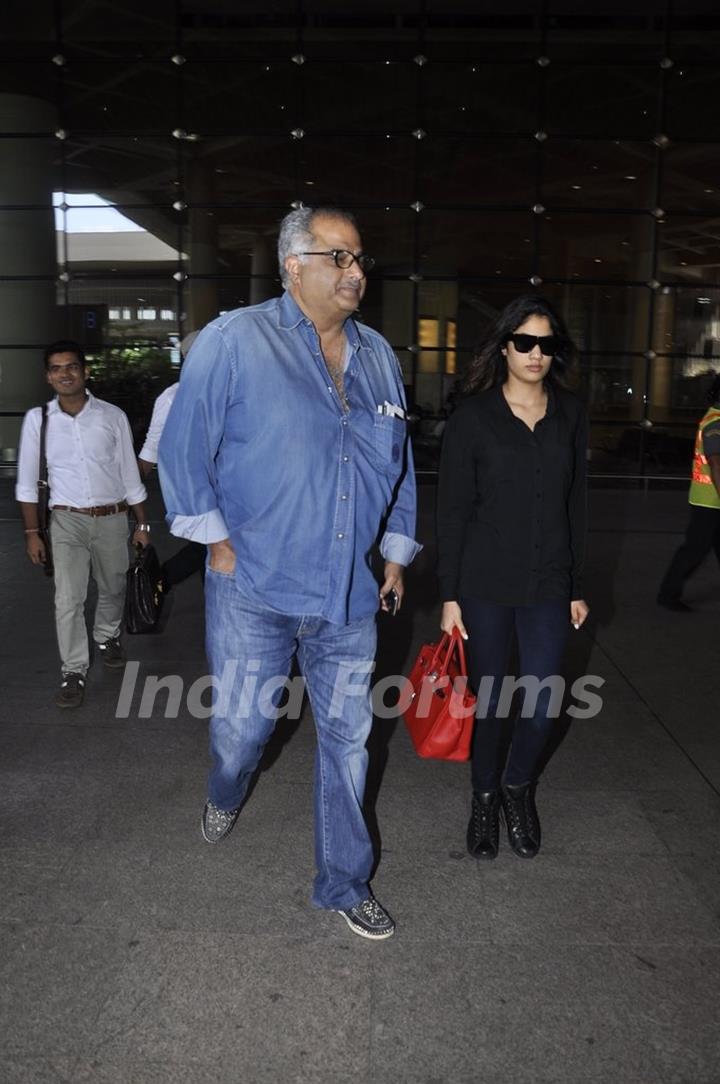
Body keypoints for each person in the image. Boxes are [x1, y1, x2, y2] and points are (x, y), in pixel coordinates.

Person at [158, 206, 420, 940]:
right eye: (340, 257)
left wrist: (396, 551)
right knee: (243, 731)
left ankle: (343, 882)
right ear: (293, 265)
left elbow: (397, 466)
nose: (357, 272)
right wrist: (215, 542)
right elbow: (185, 450)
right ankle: (224, 790)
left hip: (348, 593)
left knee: (348, 743)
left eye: (361, 258)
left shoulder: (377, 356)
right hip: (253, 587)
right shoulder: (234, 341)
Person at [437, 296, 589, 861]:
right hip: (484, 582)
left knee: (544, 701)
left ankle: (516, 788)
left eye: (546, 344)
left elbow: (577, 503)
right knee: (493, 700)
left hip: (548, 580)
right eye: (524, 341)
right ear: (504, 347)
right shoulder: (473, 418)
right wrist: (449, 594)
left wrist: (576, 582)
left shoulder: (571, 414)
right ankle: (483, 797)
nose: (535, 353)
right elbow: (451, 511)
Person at [16, 339, 150, 709]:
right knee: (68, 598)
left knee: (113, 587)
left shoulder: (111, 416)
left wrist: (143, 524)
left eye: (71, 366)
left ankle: (107, 636)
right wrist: (32, 533)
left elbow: (128, 472)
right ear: (48, 377)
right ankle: (72, 670)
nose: (65, 374)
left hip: (112, 517)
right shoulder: (37, 421)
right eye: (56, 368)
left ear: (85, 371)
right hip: (65, 521)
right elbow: (27, 483)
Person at [138, 332, 205, 594]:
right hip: (194, 492)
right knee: (210, 546)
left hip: (232, 489)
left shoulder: (234, 389)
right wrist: (128, 495)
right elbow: (151, 447)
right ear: (187, 358)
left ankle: (159, 582)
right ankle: (159, 581)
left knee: (211, 552)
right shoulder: (172, 398)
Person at [657, 374, 720, 611]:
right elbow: (716, 465)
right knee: (694, 550)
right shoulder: (716, 422)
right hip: (710, 501)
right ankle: (667, 595)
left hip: (710, 499)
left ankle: (668, 594)